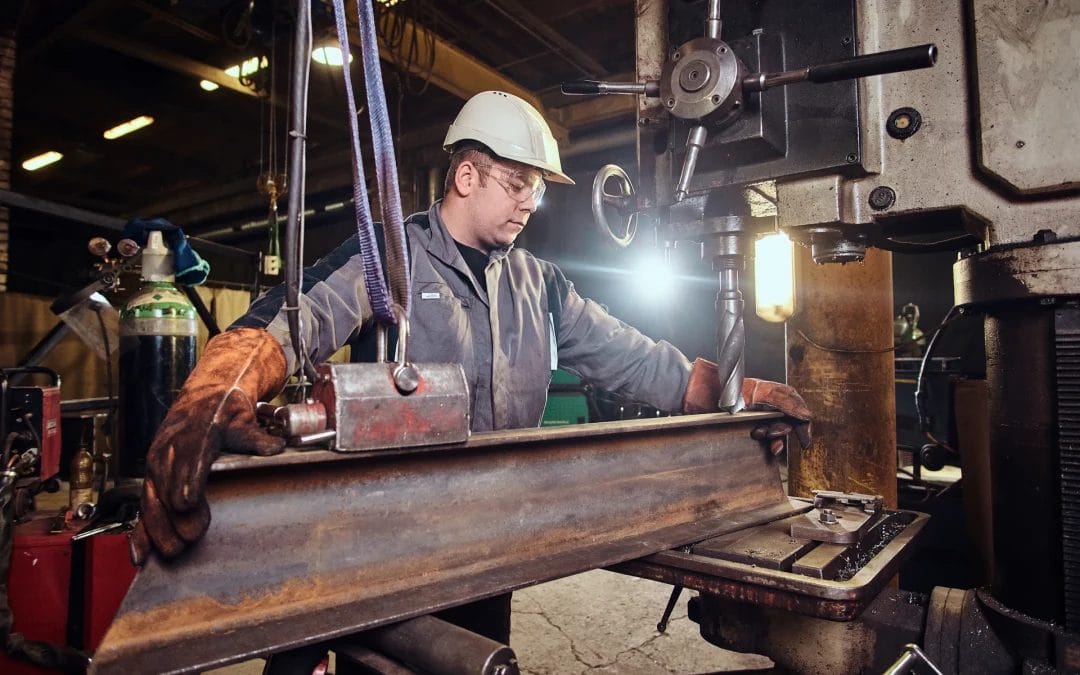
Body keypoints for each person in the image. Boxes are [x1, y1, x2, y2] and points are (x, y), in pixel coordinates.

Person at [129, 90, 811, 660]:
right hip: (384, 538)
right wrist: (214, 391)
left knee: (482, 659)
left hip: (490, 536)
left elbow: (632, 356)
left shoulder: (538, 282)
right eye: (516, 184)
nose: (527, 204)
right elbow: (293, 318)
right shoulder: (393, 255)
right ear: (466, 176)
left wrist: (737, 395)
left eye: (536, 191)